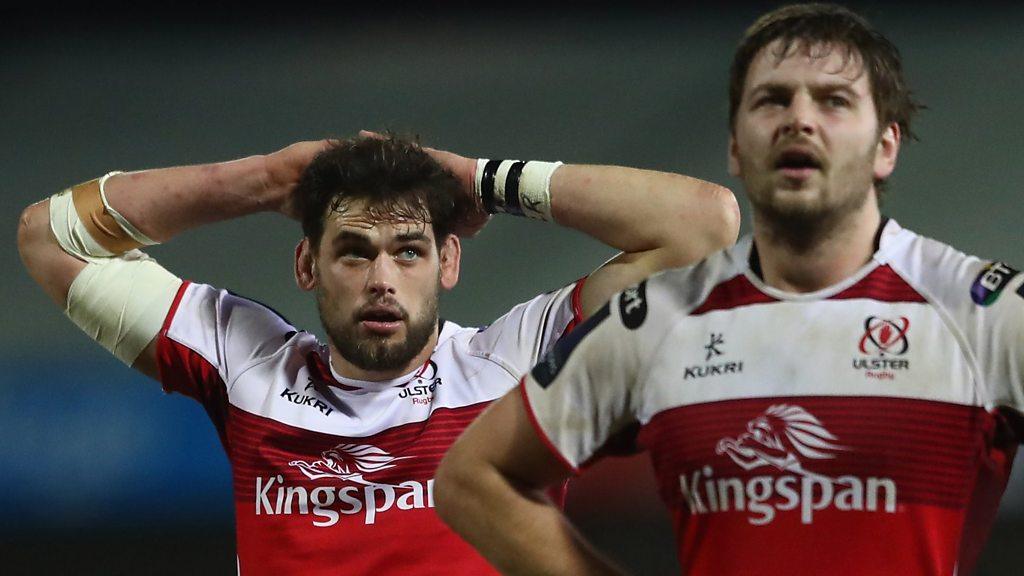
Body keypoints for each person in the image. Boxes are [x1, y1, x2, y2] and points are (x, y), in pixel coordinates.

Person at [434, 4, 1024, 575]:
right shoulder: (660, 320)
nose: (799, 119)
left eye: (834, 100)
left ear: (886, 146)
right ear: (736, 147)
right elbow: (473, 478)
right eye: (771, 100)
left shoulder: (983, 312)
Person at [16, 132, 737, 575]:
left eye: (409, 251)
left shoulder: (516, 362)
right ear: (307, 266)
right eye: (354, 252)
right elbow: (46, 236)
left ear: (448, 262)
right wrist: (265, 179)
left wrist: (476, 178)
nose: (383, 280)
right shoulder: (246, 363)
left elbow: (703, 226)